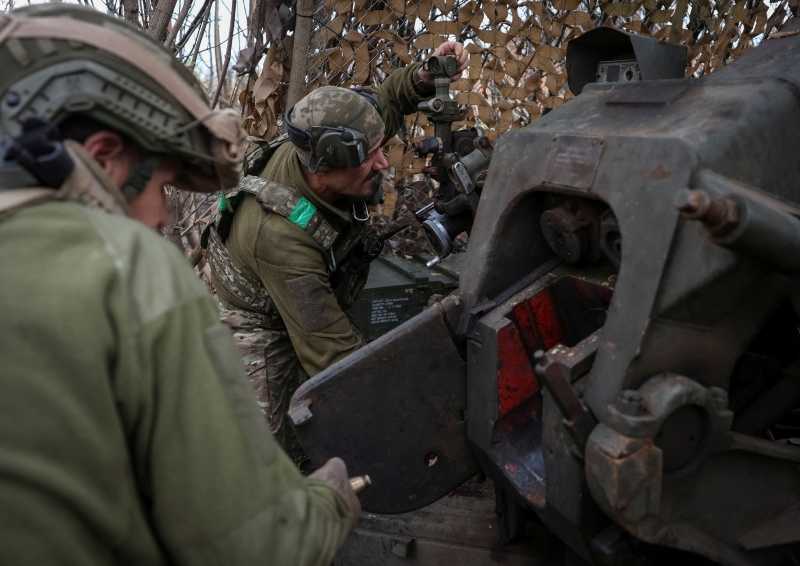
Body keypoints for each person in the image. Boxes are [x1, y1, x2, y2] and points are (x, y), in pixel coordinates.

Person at [0, 5, 359, 565]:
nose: (163, 216)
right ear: (103, 158)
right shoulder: (125, 268)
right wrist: (331, 499)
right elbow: (259, 547)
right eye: (163, 185)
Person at [206, 41, 468, 458]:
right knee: (266, 452)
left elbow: (388, 100)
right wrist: (424, 414)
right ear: (325, 170)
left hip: (307, 277)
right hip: (255, 315)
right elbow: (333, 355)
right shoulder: (280, 238)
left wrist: (423, 75)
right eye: (371, 157)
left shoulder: (347, 137)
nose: (383, 163)